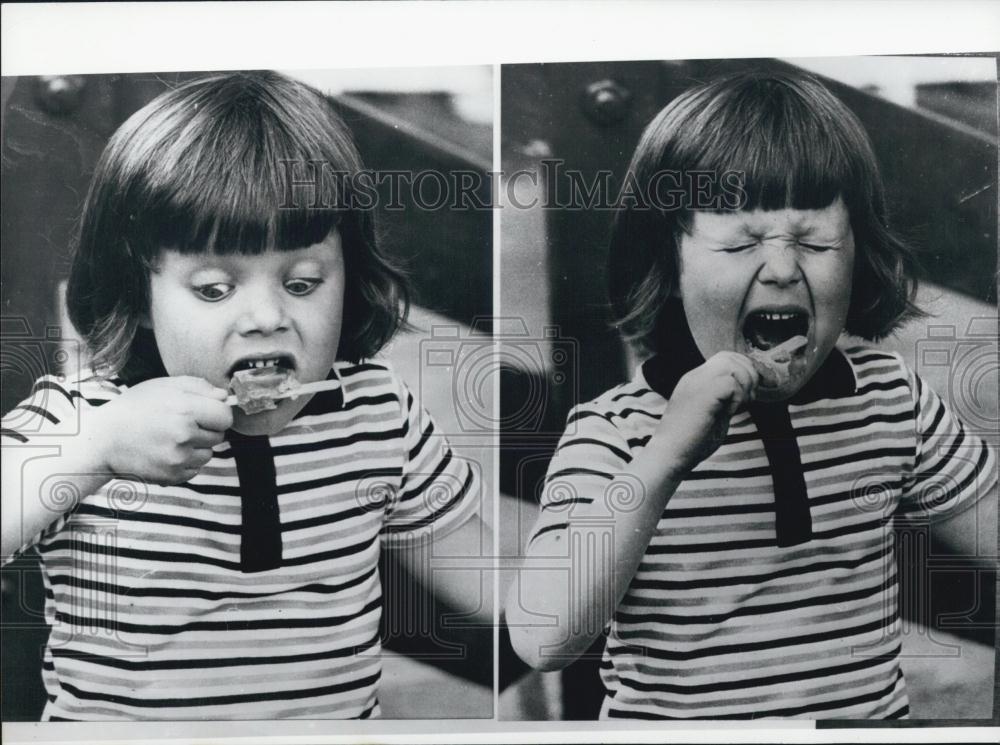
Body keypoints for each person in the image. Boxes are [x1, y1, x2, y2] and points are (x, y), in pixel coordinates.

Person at [504, 70, 997, 719]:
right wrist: (662, 462)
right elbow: (542, 632)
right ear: (668, 264)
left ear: (859, 255)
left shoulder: (890, 400)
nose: (785, 268)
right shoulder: (616, 432)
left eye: (816, 240)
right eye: (740, 242)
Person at [1, 71, 485, 720]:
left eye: (303, 281)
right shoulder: (84, 415)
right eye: (214, 288)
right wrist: (97, 448)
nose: (265, 316)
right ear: (139, 294)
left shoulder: (377, 413)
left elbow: (504, 582)